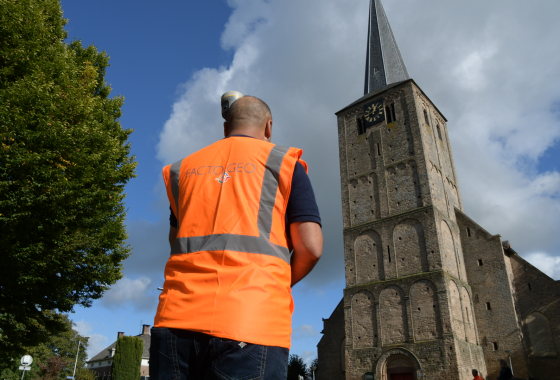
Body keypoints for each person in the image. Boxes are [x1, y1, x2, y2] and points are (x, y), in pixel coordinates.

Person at [150, 95, 323, 380]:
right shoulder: (284, 164)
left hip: (176, 319)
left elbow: (176, 242)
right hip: (252, 320)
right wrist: (278, 282)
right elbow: (312, 247)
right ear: (268, 127)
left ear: (225, 127)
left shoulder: (182, 171)